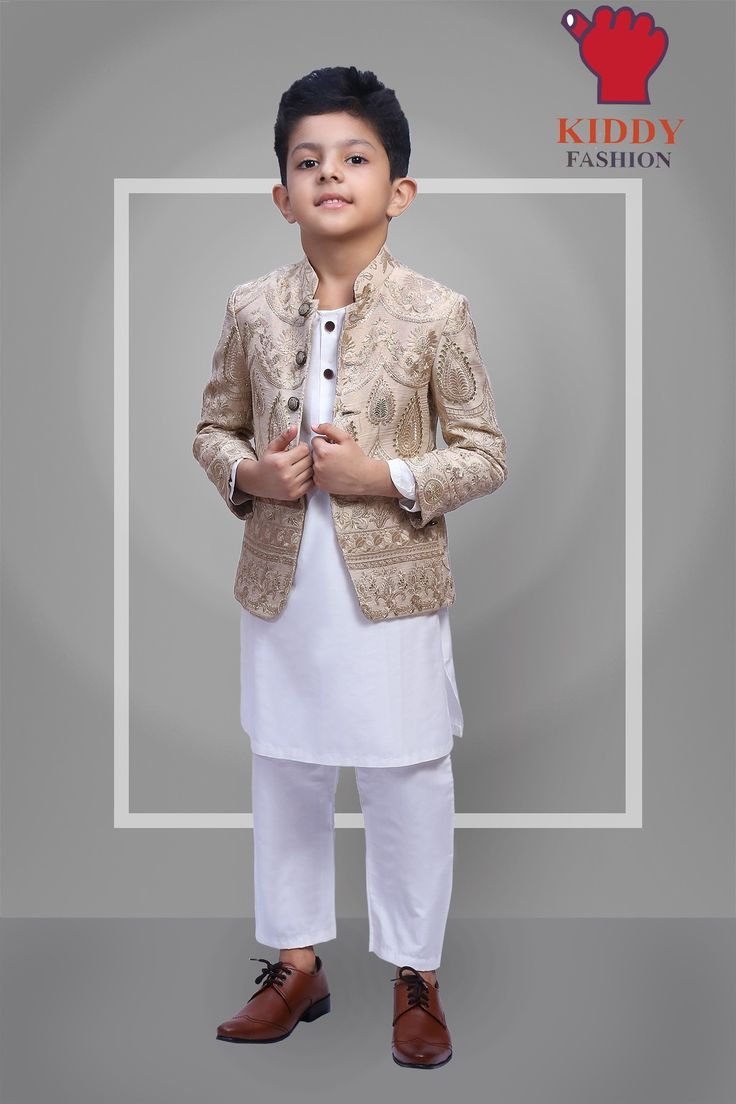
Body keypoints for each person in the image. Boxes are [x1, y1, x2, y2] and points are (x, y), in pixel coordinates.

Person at [192, 65, 508, 1069]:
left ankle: (417, 976)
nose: (329, 173)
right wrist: (250, 472)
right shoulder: (251, 307)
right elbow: (211, 427)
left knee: (406, 773)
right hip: (281, 586)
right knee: (285, 768)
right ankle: (296, 965)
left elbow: (484, 453)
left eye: (354, 157)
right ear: (281, 194)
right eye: (307, 160)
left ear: (397, 190)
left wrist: (386, 475)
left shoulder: (436, 311)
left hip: (393, 588)